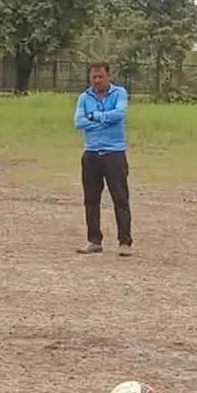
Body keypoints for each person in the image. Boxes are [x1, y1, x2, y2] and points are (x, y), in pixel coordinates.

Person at [73, 62, 133, 256]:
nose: (97, 81)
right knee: (91, 199)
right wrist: (104, 120)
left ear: (108, 76)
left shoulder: (119, 93)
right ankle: (94, 240)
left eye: (100, 77)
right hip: (91, 153)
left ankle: (124, 242)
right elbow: (78, 122)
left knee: (120, 198)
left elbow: (119, 114)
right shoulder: (84, 97)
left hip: (114, 153)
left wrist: (94, 117)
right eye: (94, 77)